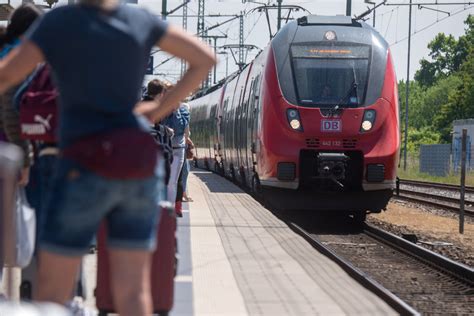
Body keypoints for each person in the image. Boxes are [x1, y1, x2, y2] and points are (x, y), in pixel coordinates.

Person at [0, 1, 215, 315]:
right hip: (139, 163)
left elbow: (8, 75)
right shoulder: (140, 19)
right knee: (132, 290)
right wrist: (157, 110)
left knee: (52, 292)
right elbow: (204, 59)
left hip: (82, 162)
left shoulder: (60, 21)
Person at [0, 3, 43, 187]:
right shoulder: (20, 58)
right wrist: (25, 161)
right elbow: (11, 113)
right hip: (10, 145)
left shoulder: (5, 49)